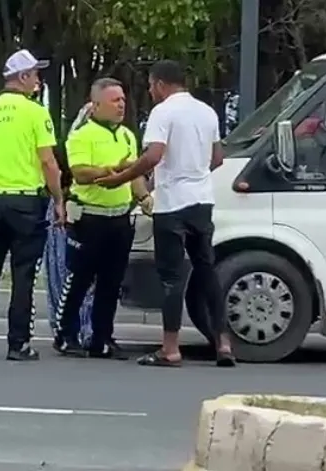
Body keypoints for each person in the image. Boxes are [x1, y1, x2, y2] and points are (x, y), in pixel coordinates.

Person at [94, 60, 235, 368]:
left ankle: (170, 349)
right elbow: (218, 158)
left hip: (172, 205)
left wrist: (122, 178)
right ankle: (223, 344)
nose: (149, 91)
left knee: (172, 279)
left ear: (159, 84)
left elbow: (154, 155)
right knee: (207, 270)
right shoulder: (207, 112)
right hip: (202, 202)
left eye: (149, 86)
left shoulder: (163, 112)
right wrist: (195, 172)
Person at [0, 49, 65, 361]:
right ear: (22, 77)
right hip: (26, 202)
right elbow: (48, 161)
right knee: (24, 274)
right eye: (34, 74)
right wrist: (59, 198)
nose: (38, 80)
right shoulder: (35, 113)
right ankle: (18, 344)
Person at [53, 78, 152, 359]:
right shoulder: (82, 135)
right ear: (96, 105)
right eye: (114, 100)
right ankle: (66, 334)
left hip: (119, 218)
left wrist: (144, 197)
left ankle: (102, 338)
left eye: (122, 99)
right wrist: (113, 169)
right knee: (80, 279)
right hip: (89, 219)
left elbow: (134, 176)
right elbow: (80, 172)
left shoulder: (127, 136)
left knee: (112, 282)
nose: (121, 105)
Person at [44, 103, 96, 347]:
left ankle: (87, 329)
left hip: (93, 212)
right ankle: (68, 330)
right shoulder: (77, 142)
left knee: (83, 277)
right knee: (67, 275)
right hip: (70, 209)